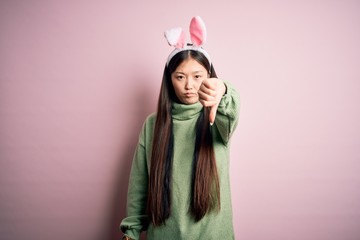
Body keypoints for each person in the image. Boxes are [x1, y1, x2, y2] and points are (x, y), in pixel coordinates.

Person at [120, 16, 240, 240]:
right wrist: (131, 232)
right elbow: (139, 185)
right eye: (180, 77)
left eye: (198, 76)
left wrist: (222, 89)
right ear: (169, 79)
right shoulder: (152, 125)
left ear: (209, 77)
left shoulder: (218, 117)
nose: (189, 85)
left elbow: (231, 108)